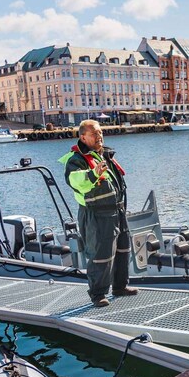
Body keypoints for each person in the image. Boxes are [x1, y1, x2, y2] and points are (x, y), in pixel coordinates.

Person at [60, 119, 138, 307]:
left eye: (100, 132)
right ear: (83, 137)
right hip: (96, 214)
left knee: (122, 250)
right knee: (100, 255)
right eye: (94, 133)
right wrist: (93, 173)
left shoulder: (103, 155)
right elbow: (76, 181)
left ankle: (120, 286)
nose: (99, 136)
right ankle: (97, 294)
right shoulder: (75, 160)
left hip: (116, 211)